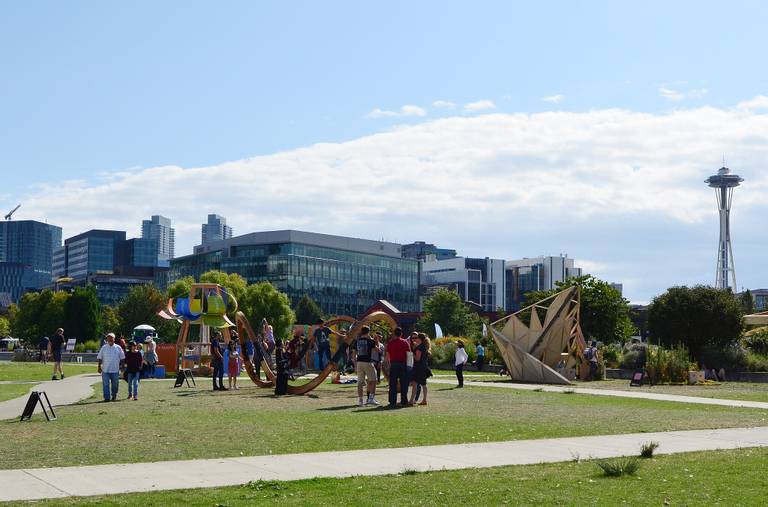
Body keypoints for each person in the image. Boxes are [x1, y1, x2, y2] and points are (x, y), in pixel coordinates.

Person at [353, 325, 379, 406]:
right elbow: (377, 350)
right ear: (368, 332)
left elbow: (354, 353)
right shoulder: (370, 341)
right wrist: (376, 340)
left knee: (360, 382)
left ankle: (360, 400)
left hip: (359, 362)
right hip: (367, 362)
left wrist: (355, 364)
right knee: (373, 380)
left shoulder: (357, 341)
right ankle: (371, 398)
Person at [385, 327, 410, 408]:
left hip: (394, 364)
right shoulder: (405, 342)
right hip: (403, 364)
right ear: (401, 334)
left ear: (394, 334)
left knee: (392, 383)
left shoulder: (390, 343)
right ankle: (404, 400)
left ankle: (392, 401)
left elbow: (388, 355)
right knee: (404, 383)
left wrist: (389, 364)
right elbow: (408, 354)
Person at [97, 333, 125, 402]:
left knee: (115, 385)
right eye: (108, 338)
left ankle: (114, 395)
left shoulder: (118, 347)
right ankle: (107, 398)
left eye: (111, 338)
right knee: (105, 384)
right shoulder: (103, 348)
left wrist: (122, 367)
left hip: (115, 370)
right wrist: (99, 367)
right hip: (105, 370)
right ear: (106, 339)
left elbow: (122, 358)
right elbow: (100, 358)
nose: (109, 339)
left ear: (114, 339)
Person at [409, 333, 431, 406]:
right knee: (423, 384)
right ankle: (424, 400)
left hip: (419, 368)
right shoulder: (424, 346)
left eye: (417, 338)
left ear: (420, 339)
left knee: (415, 384)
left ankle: (412, 400)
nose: (415, 339)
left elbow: (417, 358)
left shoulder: (419, 348)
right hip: (423, 367)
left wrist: (411, 354)